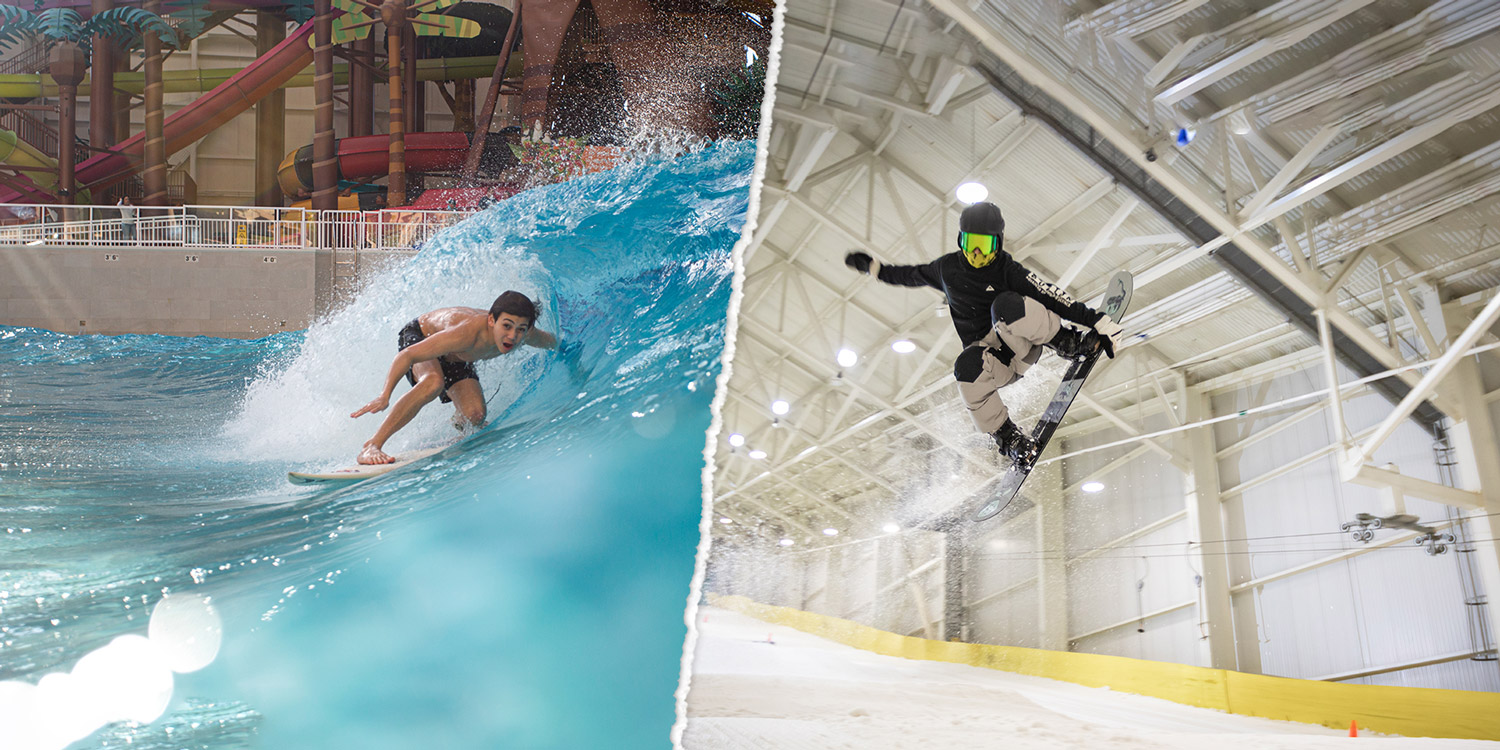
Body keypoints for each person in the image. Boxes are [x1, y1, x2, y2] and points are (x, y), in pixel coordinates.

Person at [844, 201, 1124, 467]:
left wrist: (1096, 321)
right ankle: (1008, 437)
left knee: (1005, 305)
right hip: (995, 364)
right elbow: (910, 275)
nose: (976, 254)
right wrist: (874, 268)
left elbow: (1051, 296)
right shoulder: (947, 269)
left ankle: (1068, 343)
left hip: (1022, 346)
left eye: (984, 246)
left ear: (998, 243)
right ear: (960, 241)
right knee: (965, 364)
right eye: (970, 245)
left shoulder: (1007, 270)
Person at [350, 290, 557, 465]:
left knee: (475, 415)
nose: (512, 336)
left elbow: (554, 343)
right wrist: (384, 395)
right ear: (492, 320)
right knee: (433, 382)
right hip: (422, 336)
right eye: (507, 326)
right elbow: (407, 355)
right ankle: (372, 446)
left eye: (521, 329)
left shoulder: (525, 334)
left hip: (454, 357)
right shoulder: (467, 333)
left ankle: (459, 421)